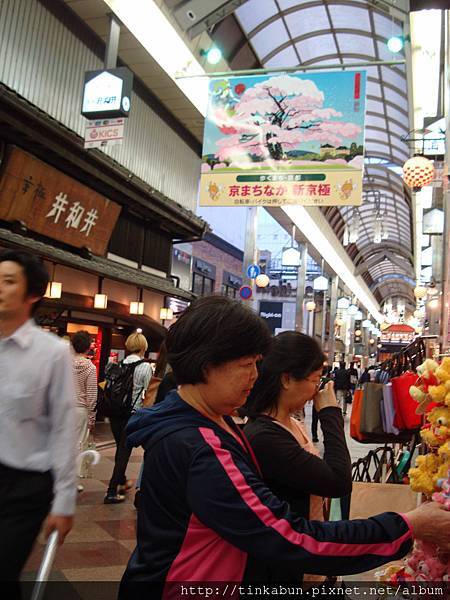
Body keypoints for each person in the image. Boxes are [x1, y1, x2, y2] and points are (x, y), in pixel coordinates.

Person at [119, 296, 450, 598]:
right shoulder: (200, 446)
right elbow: (289, 536)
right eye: (246, 364)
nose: (255, 375)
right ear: (208, 364)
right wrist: (408, 524)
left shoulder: (211, 422)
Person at [244, 332, 352, 582]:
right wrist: (330, 412)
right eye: (315, 380)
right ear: (287, 379)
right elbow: (339, 481)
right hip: (285, 569)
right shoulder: (265, 437)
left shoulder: (291, 424)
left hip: (309, 559)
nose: (317, 390)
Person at [0, 250, 76, 585]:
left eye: (8, 281)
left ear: (32, 294)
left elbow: (63, 428)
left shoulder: (53, 353)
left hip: (24, 485)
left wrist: (64, 502)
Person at [104, 332, 152, 504]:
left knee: (121, 449)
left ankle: (122, 480)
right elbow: (149, 392)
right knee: (123, 453)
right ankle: (111, 491)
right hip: (132, 415)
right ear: (143, 347)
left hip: (115, 414)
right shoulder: (145, 367)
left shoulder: (119, 364)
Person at [71, 330, 97, 490]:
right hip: (80, 411)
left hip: (64, 409)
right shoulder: (90, 367)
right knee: (79, 444)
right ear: (88, 348)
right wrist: (92, 418)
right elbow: (92, 395)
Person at [311, 365, 333, 442]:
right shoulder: (329, 381)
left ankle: (314, 436)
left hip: (316, 403)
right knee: (325, 422)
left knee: (315, 420)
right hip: (325, 404)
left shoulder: (316, 380)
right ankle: (326, 438)